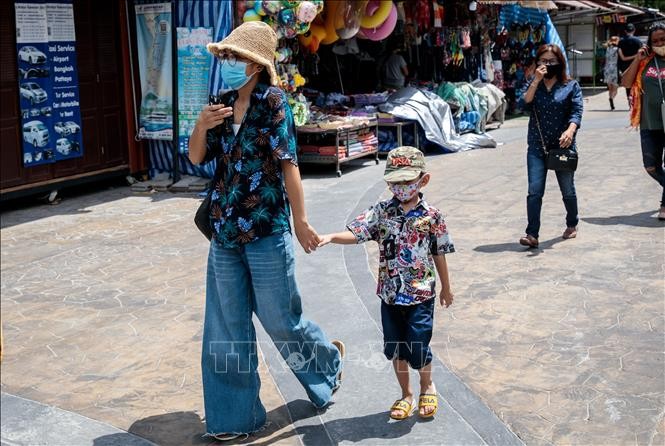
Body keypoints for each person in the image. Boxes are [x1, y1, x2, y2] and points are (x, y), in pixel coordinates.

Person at [188, 21, 344, 441]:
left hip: (265, 230)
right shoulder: (219, 104)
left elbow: (289, 165)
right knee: (225, 327)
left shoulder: (274, 102)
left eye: (234, 57)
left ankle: (326, 363)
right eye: (225, 57)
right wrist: (200, 126)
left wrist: (301, 220)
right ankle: (234, 418)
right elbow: (200, 158)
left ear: (255, 65)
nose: (227, 64)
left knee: (281, 319)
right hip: (223, 231)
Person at [318, 147, 455, 420]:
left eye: (407, 181)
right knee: (395, 347)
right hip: (390, 295)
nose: (401, 187)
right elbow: (357, 232)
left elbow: (439, 253)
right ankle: (406, 394)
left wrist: (446, 287)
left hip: (421, 295)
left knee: (417, 345)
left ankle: (427, 385)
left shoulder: (433, 216)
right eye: (395, 182)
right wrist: (331, 236)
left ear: (422, 180)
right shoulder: (380, 212)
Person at [518, 44, 583, 248]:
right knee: (534, 190)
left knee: (567, 189)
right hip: (537, 145)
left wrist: (570, 131)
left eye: (551, 61)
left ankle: (572, 224)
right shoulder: (532, 83)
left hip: (563, 145)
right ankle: (532, 234)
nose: (547, 65)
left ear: (560, 63)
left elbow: (577, 111)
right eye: (543, 61)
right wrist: (536, 80)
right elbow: (523, 104)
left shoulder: (570, 86)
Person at [621, 22, 665, 221]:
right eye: (655, 41)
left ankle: (664, 205)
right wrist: (638, 58)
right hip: (649, 122)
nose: (659, 43)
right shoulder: (645, 61)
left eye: (663, 40)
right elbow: (626, 83)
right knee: (651, 167)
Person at [618, 23, 643, 104]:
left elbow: (621, 56)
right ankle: (635, 100)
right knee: (636, 82)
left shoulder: (621, 41)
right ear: (634, 30)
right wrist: (635, 57)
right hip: (636, 66)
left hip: (624, 67)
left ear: (625, 31)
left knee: (627, 85)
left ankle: (629, 100)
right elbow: (642, 55)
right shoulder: (638, 41)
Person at [604, 36, 620, 110]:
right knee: (615, 88)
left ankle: (611, 100)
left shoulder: (607, 49)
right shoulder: (617, 49)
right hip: (614, 68)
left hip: (607, 69)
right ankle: (611, 98)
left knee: (610, 88)